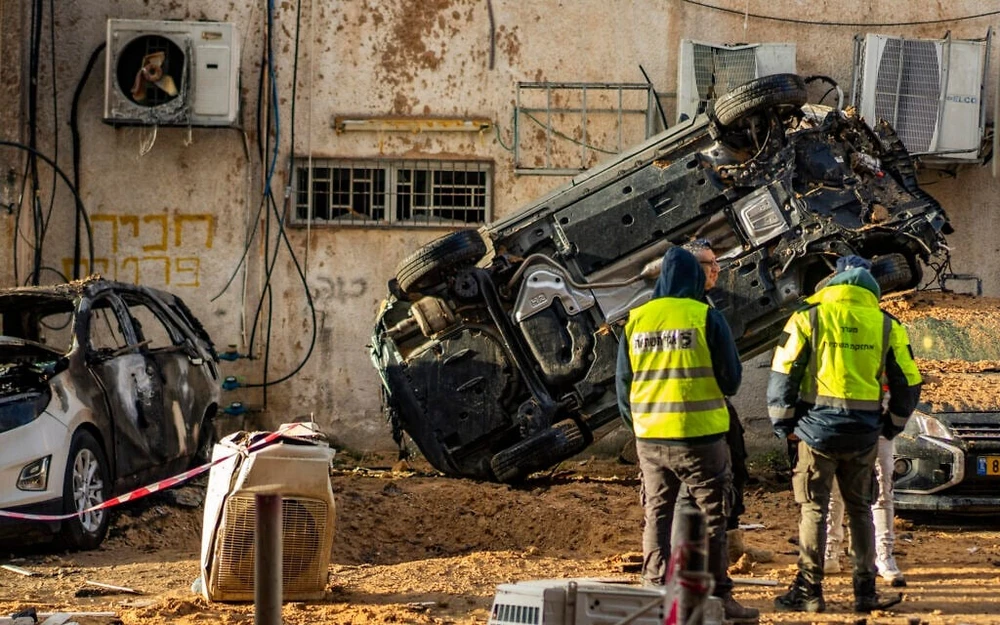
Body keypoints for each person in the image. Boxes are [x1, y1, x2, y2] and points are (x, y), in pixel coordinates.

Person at [768, 255, 922, 613]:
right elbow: (909, 384)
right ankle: (864, 594)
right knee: (861, 511)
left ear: (832, 284)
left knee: (813, 511)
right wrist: (892, 425)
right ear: (872, 289)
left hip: (815, 435)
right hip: (864, 436)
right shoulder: (887, 325)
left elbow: (782, 376)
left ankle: (809, 592)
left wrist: (785, 426)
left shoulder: (807, 318)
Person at [616, 246, 759, 623]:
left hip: (650, 440)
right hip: (700, 438)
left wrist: (640, 425)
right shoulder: (705, 316)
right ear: (695, 278)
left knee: (657, 515)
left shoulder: (637, 319)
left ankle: (653, 592)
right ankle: (717, 597)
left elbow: (623, 384)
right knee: (713, 517)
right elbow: (730, 378)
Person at [683, 238, 750, 531]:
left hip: (697, 410)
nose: (717, 269)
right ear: (692, 269)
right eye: (710, 263)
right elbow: (730, 377)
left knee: (735, 462)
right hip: (699, 414)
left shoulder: (701, 305)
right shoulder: (703, 314)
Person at [825, 435, 906, 586]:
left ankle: (883, 554)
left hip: (878, 425)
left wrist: (892, 423)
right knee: (834, 489)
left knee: (883, 488)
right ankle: (830, 548)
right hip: (839, 426)